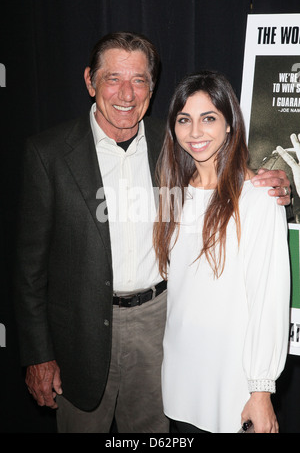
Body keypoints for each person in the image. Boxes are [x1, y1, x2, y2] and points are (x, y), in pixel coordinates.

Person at [14, 32, 290, 433]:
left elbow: (226, 172)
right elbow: (29, 267)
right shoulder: (48, 153)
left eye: (139, 80)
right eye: (113, 79)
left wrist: (276, 182)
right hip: (81, 334)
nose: (126, 93)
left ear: (152, 87)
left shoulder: (173, 145)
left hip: (158, 328)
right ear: (90, 81)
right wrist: (38, 355)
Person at [153, 71, 291, 433]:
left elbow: (268, 297)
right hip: (179, 378)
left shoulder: (260, 198)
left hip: (233, 384)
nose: (195, 132)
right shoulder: (172, 196)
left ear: (230, 124)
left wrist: (260, 390)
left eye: (208, 118)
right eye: (184, 120)